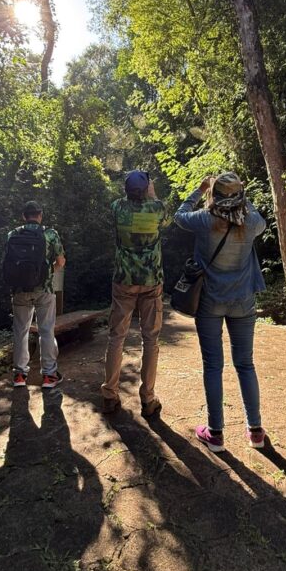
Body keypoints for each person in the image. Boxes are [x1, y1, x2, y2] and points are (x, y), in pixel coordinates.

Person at [174, 172, 267, 452]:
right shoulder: (251, 222)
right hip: (243, 302)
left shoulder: (204, 220)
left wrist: (201, 189)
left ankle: (215, 434)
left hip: (210, 302)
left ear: (213, 195)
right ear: (241, 196)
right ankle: (256, 432)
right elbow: (257, 217)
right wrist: (241, 199)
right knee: (245, 364)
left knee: (213, 365)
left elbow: (179, 214)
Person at [102, 170, 166, 417]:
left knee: (116, 337)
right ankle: (148, 399)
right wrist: (152, 191)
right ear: (147, 189)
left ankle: (110, 394)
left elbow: (125, 202)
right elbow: (160, 211)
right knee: (150, 340)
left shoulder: (118, 207)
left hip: (123, 281)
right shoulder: (157, 209)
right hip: (151, 281)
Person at [5, 200, 65, 389]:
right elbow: (61, 261)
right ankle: (49, 376)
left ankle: (20, 375)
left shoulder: (12, 234)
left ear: (24, 216)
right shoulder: (50, 234)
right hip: (44, 290)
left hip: (19, 290)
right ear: (40, 215)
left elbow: (8, 263)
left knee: (20, 332)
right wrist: (48, 274)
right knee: (46, 331)